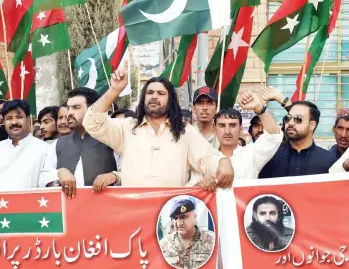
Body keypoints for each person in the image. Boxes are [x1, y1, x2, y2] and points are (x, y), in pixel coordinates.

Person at [82, 69, 234, 192]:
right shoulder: (127, 128)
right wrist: (115, 90)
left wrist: (223, 162)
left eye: (161, 94)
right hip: (131, 212)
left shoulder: (183, 131)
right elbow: (92, 124)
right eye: (150, 93)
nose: (154, 96)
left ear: (170, 100)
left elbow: (207, 159)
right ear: (143, 98)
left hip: (170, 215)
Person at [43, 88, 118, 197]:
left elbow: (130, 174)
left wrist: (112, 176)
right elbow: (44, 175)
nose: (69, 113)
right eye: (68, 108)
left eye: (76, 108)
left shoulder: (112, 138)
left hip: (105, 209)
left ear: (92, 109)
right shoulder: (58, 144)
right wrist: (59, 172)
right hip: (68, 210)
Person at [191, 92, 282, 181]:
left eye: (232, 125)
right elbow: (191, 190)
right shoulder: (205, 159)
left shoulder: (251, 154)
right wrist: (201, 185)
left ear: (241, 129)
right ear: (215, 129)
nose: (227, 131)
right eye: (222, 126)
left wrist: (258, 107)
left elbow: (274, 136)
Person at [0, 100, 56, 192]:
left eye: (19, 117)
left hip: (31, 204)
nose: (14, 122)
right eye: (9, 118)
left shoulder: (44, 149)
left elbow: (49, 182)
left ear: (28, 119)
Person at [259, 101, 335, 178]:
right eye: (288, 118)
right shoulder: (271, 156)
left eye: (298, 119)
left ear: (312, 125)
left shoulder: (329, 160)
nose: (290, 123)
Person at [159, 198, 215, 269]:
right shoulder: (164, 244)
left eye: (183, 217)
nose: (179, 223)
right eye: (175, 218)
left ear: (194, 217)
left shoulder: (211, 241)